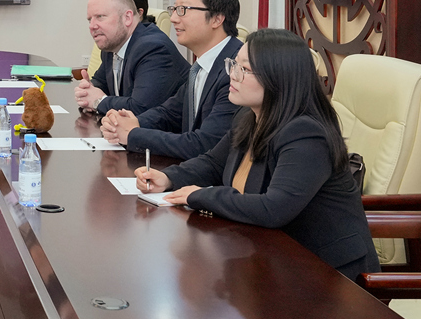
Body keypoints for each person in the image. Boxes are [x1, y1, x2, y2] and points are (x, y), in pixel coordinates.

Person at [135, 29, 379, 282]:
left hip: (328, 274)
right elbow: (213, 163)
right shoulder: (250, 115)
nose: (232, 75)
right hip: (274, 258)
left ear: (278, 78)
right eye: (233, 64)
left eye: (245, 69)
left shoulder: (306, 134)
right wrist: (169, 178)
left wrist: (200, 195)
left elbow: (274, 209)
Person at [100, 0, 243, 160]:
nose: (174, 18)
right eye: (174, 9)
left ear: (217, 18)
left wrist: (133, 134)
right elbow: (169, 113)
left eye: (183, 10)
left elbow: (204, 144)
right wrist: (130, 123)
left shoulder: (236, 70)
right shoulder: (201, 66)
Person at [74, 0, 186, 117]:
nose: (92, 26)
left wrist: (98, 101)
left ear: (127, 17)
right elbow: (100, 83)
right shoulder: (111, 45)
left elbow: (140, 108)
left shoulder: (153, 48)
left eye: (100, 17)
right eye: (90, 20)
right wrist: (87, 91)